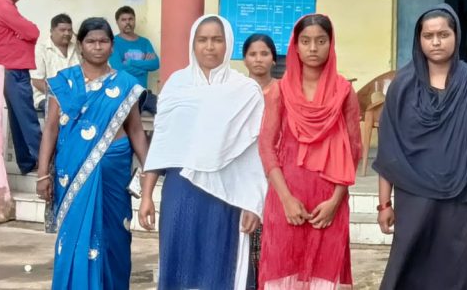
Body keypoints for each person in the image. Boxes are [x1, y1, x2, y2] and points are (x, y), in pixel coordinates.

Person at [373, 4, 467, 290]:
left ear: (456, 36)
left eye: (443, 34)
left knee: (454, 275)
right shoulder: (403, 86)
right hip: (412, 197)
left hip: (461, 200)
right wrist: (384, 204)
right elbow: (389, 149)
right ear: (419, 39)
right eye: (428, 36)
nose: (436, 42)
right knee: (406, 271)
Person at [139, 15, 266, 290]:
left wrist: (253, 202)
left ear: (228, 44)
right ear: (192, 44)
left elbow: (253, 155)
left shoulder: (246, 91)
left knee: (220, 263)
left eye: (217, 40)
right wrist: (147, 195)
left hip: (226, 193)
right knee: (179, 262)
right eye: (202, 40)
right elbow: (162, 143)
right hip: (181, 189)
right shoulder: (176, 85)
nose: (209, 47)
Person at [34, 17, 149, 290]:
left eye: (103, 41)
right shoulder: (64, 83)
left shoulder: (125, 84)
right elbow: (51, 129)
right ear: (81, 45)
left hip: (114, 176)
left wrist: (149, 171)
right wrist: (42, 174)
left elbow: (135, 130)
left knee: (114, 239)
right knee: (74, 240)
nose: (97, 47)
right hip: (72, 172)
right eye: (91, 41)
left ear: (112, 46)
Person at [257, 15, 362, 289]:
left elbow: (353, 151)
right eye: (305, 41)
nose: (313, 48)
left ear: (331, 44)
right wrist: (286, 200)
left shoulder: (344, 92)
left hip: (328, 203)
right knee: (283, 273)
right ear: (295, 46)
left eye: (321, 41)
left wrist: (335, 201)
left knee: (324, 276)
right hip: (286, 198)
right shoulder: (279, 91)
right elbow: (266, 148)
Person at [0, 0, 42, 174]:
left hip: (8, 70)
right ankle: (47, 162)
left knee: (18, 120)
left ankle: (27, 163)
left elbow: (26, 33)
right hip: (14, 70)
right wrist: (22, 35)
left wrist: (20, 35)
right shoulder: (3, 6)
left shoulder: (4, 6)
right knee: (27, 119)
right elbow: (33, 32)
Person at [242, 33, 279, 288]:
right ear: (244, 59)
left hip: (275, 172)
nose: (258, 59)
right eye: (253, 54)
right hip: (244, 172)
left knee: (272, 243)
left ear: (273, 59)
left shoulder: (285, 91)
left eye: (264, 54)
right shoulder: (236, 92)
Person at [110, 6, 160, 113]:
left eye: (130, 19)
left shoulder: (145, 42)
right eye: (123, 20)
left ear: (134, 20)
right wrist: (144, 67)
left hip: (143, 93)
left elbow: (155, 64)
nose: (127, 22)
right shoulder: (113, 43)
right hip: (123, 94)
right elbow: (118, 68)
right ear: (117, 22)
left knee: (165, 108)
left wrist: (130, 62)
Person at [31, 13, 80, 113]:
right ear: (52, 31)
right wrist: (62, 96)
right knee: (64, 110)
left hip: (76, 97)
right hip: (47, 97)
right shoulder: (40, 50)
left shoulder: (77, 49)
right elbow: (37, 81)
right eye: (62, 30)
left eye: (69, 30)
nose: (67, 33)